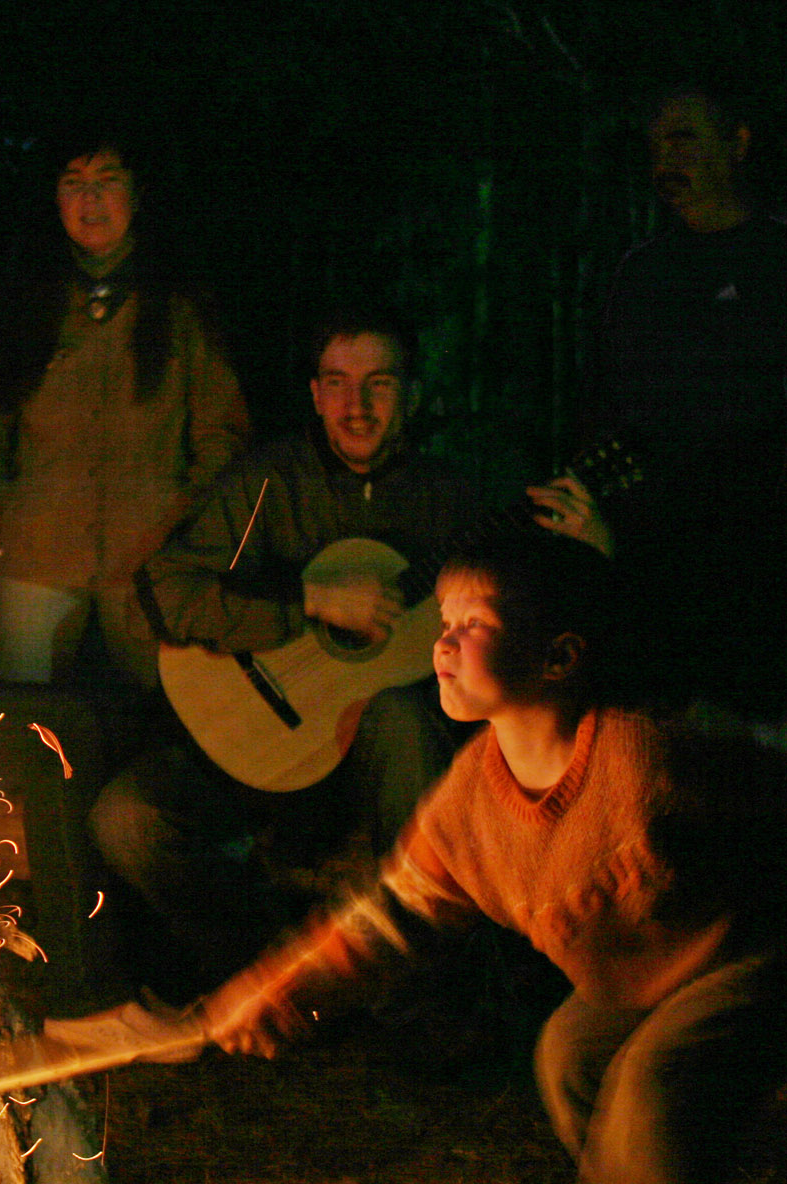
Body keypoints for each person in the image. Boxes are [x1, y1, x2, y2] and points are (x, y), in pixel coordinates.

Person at [202, 529, 787, 1184]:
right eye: (444, 623)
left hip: (746, 958)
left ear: (558, 657)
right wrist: (285, 988)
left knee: (651, 1090)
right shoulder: (468, 804)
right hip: (635, 981)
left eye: (473, 624)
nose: (443, 642)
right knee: (566, 1059)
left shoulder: (643, 757)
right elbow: (392, 915)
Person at [82, 307, 606, 1005]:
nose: (356, 405)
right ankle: (278, 976)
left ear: (411, 395)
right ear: (314, 394)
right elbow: (165, 591)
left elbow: (546, 630)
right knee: (125, 817)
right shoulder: (270, 481)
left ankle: (420, 996)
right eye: (337, 382)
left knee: (399, 718)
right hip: (256, 747)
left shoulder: (453, 502)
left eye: (379, 384)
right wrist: (309, 601)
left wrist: (591, 556)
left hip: (378, 766)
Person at [589, 82, 787, 713]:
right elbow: (605, 417)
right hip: (651, 567)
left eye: (684, 139)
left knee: (753, 744)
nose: (665, 159)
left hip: (767, 565)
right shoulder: (639, 271)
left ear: (737, 143)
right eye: (656, 145)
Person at [0, 131, 250, 700]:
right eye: (73, 183)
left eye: (107, 182)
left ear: (136, 195)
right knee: (23, 723)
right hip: (37, 562)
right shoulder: (25, 305)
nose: (90, 200)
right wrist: (3, 511)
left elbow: (221, 434)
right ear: (55, 199)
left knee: (163, 719)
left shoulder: (179, 307)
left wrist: (181, 529)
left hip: (152, 571)